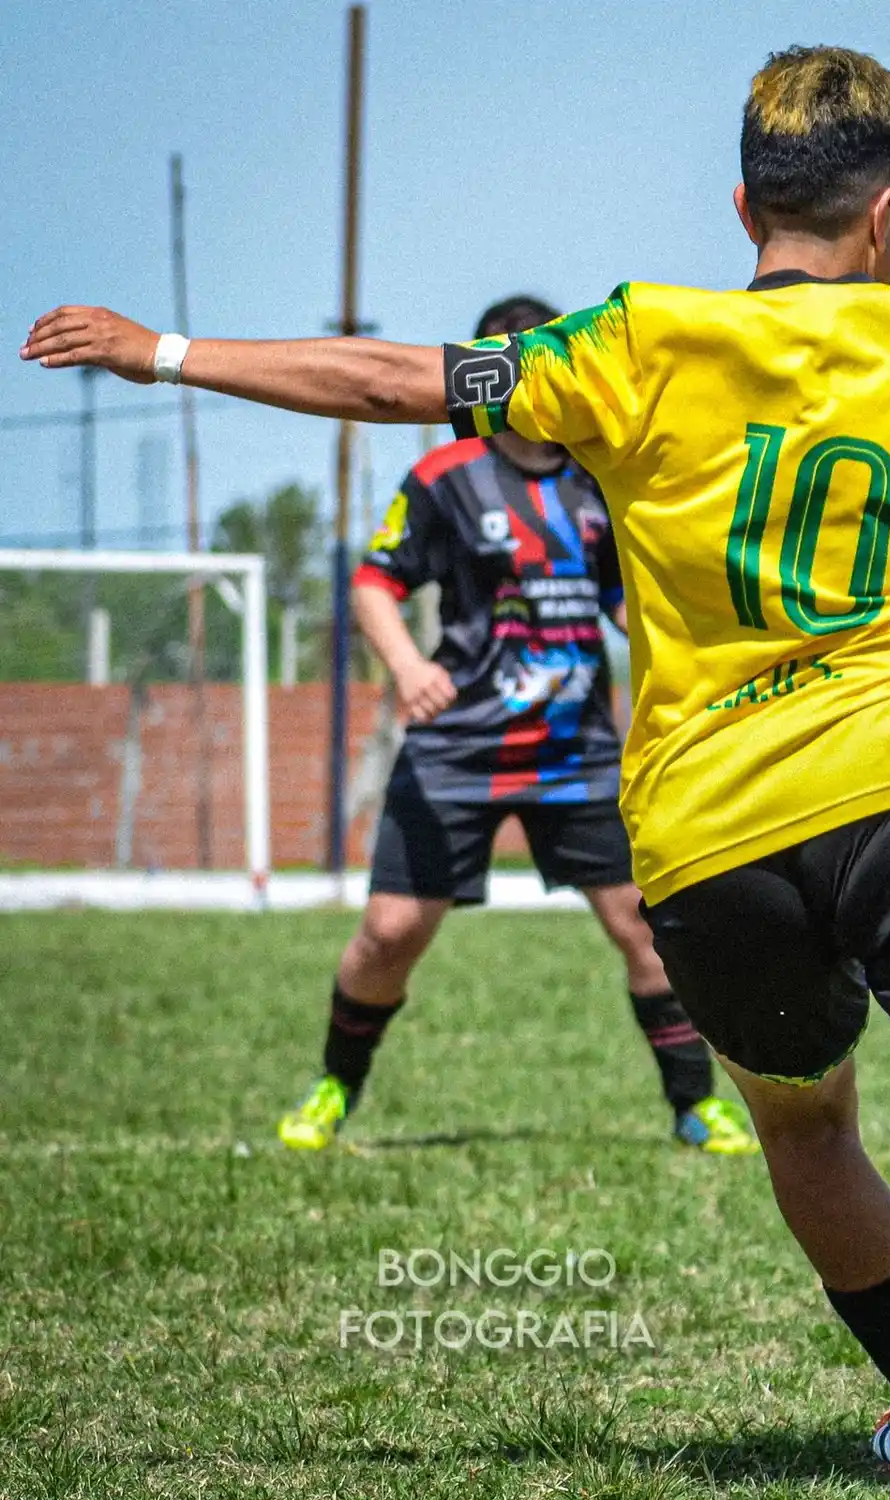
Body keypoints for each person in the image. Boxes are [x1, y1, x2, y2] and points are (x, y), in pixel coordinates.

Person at [22, 44, 890, 1476]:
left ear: (746, 208)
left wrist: (165, 352)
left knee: (810, 1135)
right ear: (885, 216)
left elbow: (396, 378)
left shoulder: (638, 340)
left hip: (708, 838)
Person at [285, 294, 759, 1158]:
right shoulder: (444, 477)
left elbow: (628, 598)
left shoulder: (600, 475)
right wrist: (407, 667)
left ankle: (696, 1108)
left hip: (574, 753)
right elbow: (375, 582)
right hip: (456, 749)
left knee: (646, 931)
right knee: (390, 935)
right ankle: (333, 1089)